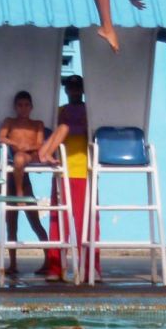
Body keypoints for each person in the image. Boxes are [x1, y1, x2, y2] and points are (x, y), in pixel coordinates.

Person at [40, 75, 101, 282]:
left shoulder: (90, 110)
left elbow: (90, 132)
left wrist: (68, 128)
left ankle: (91, 267)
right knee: (58, 221)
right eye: (70, 88)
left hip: (84, 170)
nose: (73, 91)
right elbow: (56, 132)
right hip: (62, 170)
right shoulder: (60, 112)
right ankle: (56, 268)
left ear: (83, 90)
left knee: (89, 221)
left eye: (77, 88)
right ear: (66, 90)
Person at [0, 90, 58, 275]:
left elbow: (40, 144)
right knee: (11, 223)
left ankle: (49, 259)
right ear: (16, 107)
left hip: (27, 162)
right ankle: (13, 263)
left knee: (35, 222)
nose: (23, 109)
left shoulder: (37, 124)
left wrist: (25, 147)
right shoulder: (9, 122)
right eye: (20, 105)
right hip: (12, 174)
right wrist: (13, 143)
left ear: (31, 107)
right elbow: (1, 137)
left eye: (26, 105)